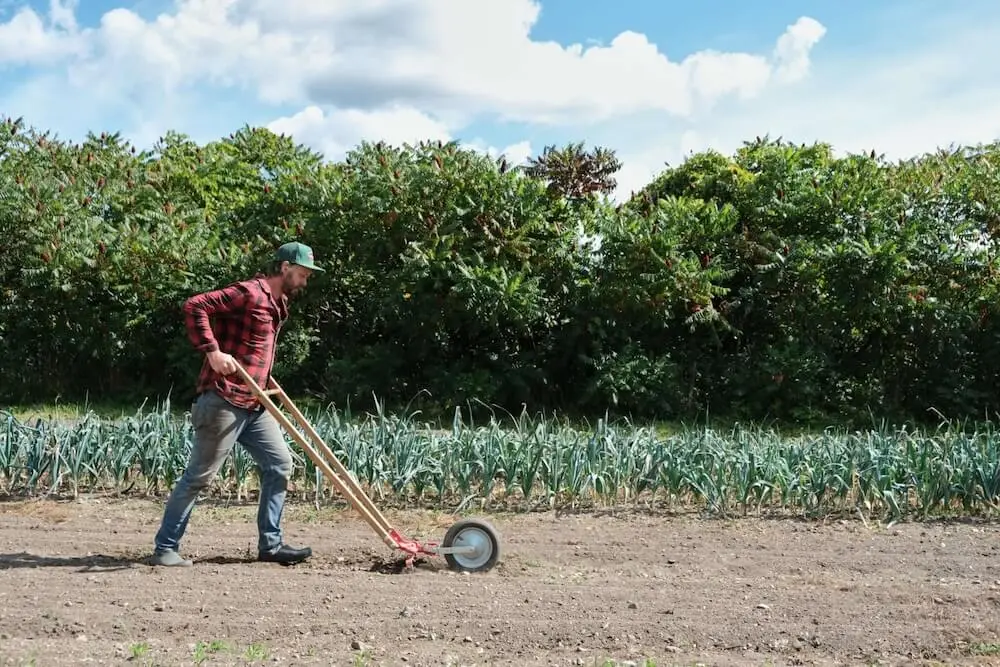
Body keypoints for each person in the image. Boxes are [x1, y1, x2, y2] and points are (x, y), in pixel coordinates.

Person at [151, 241, 324, 567]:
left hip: (254, 403)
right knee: (199, 477)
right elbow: (195, 306)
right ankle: (165, 548)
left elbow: (255, 349)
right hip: (223, 401)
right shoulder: (248, 292)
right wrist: (212, 351)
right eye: (302, 273)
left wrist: (265, 379)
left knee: (279, 464)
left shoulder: (278, 303)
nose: (305, 281)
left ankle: (271, 546)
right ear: (285, 268)